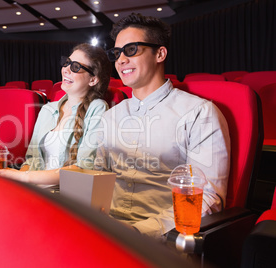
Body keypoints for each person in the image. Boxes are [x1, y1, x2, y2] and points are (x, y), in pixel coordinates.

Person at [94, 13, 231, 239]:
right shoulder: (111, 115)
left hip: (163, 239)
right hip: (106, 230)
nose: (120, 60)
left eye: (131, 50)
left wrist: (139, 231)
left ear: (160, 53)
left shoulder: (198, 113)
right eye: (117, 53)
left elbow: (207, 198)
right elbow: (96, 176)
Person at [0, 43, 112, 187]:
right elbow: (32, 160)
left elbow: (84, 168)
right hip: (38, 191)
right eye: (67, 63)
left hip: (67, 195)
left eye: (75, 67)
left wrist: (23, 177)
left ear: (93, 79)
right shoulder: (48, 109)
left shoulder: (97, 108)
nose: (66, 69)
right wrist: (19, 184)